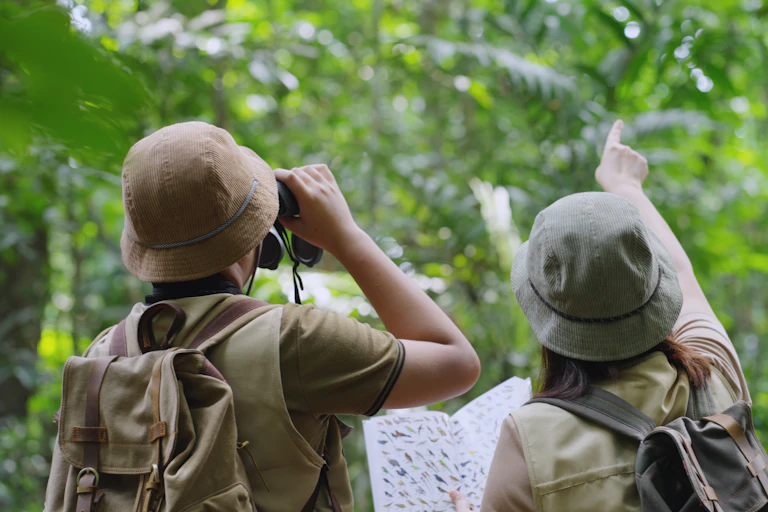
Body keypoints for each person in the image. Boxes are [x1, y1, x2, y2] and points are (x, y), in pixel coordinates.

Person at [76, 121, 480, 511]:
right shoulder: (293, 340)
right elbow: (457, 362)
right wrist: (345, 236)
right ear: (256, 238)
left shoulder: (105, 354)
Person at [454, 120, 750, 512]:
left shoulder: (529, 440)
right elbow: (683, 274)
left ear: (544, 312)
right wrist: (626, 185)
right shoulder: (712, 375)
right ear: (655, 291)